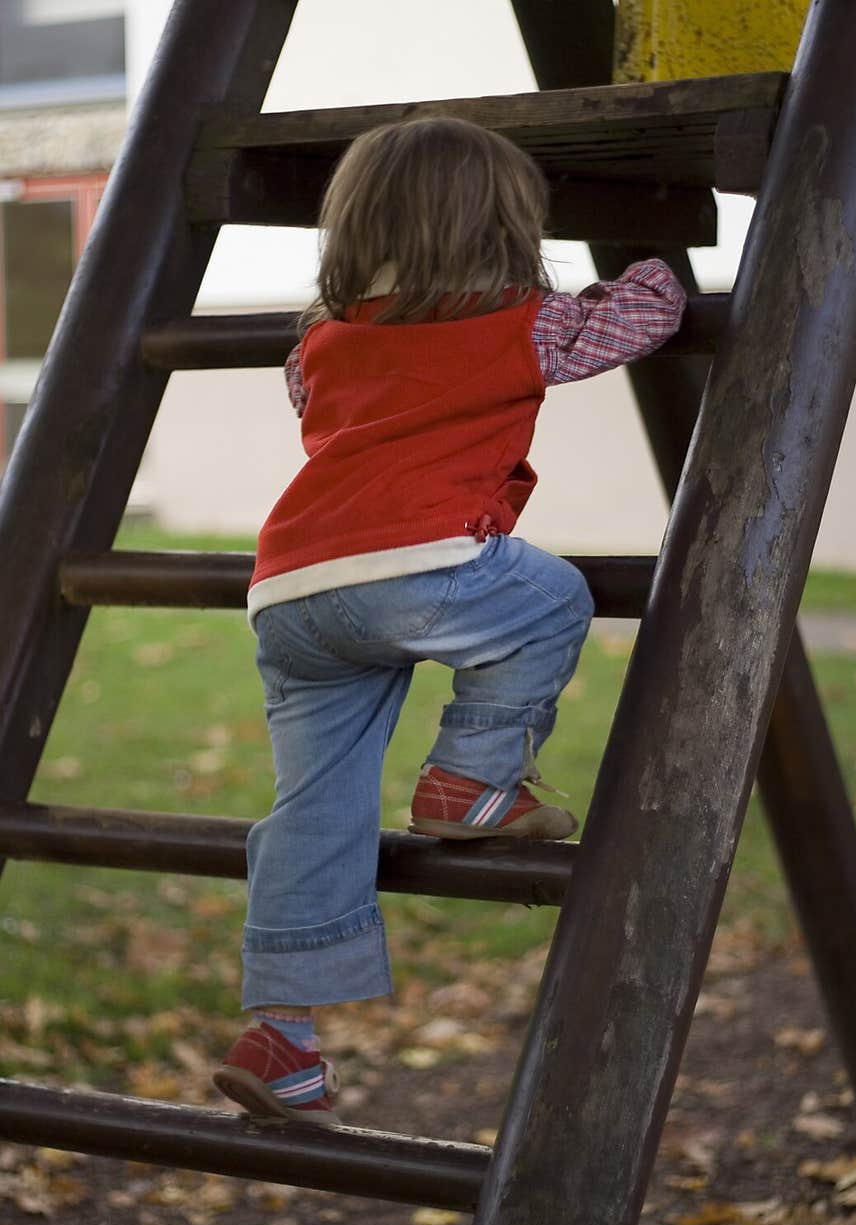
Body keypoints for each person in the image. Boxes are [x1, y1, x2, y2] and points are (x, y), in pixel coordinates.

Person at [213, 116, 686, 1123]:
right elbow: (637, 320)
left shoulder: (322, 341)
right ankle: (469, 778)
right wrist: (658, 264)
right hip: (417, 564)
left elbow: (308, 393)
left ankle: (282, 1031)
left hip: (292, 588)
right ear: (502, 225)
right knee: (549, 596)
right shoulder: (524, 322)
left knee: (314, 802)